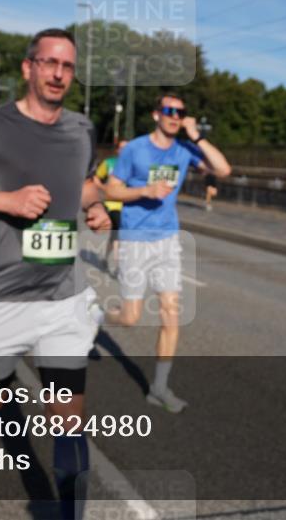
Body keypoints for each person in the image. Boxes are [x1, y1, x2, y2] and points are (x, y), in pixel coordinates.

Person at [0, 28, 109, 517]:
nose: (58, 74)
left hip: (64, 296)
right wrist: (5, 201)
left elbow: (85, 183)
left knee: (69, 418)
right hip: (1, 297)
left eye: (67, 66)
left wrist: (99, 206)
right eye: (49, 63)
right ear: (28, 67)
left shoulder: (80, 129)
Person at [102, 94, 231, 413]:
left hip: (167, 239)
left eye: (181, 112)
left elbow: (223, 170)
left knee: (170, 314)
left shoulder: (185, 149)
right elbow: (111, 189)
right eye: (170, 111)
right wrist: (144, 191)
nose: (176, 116)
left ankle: (159, 387)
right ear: (156, 114)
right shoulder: (135, 149)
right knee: (130, 318)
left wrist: (197, 136)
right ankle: (98, 316)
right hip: (134, 239)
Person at [93, 139, 128, 269]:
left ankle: (105, 258)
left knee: (115, 235)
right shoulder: (109, 163)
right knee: (119, 233)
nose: (125, 151)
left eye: (127, 148)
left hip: (128, 205)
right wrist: (105, 188)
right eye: (122, 148)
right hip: (112, 205)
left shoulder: (133, 164)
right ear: (117, 150)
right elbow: (96, 178)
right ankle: (120, 265)